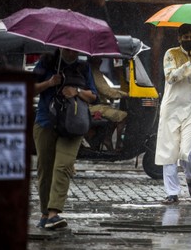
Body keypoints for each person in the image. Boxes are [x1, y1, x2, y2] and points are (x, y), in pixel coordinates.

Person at [33, 48, 97, 229]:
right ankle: (45, 213)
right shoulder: (46, 62)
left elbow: (93, 96)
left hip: (73, 124)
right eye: (68, 49)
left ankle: (54, 213)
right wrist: (49, 83)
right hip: (46, 122)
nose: (72, 53)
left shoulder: (83, 67)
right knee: (45, 169)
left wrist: (76, 91)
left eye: (75, 50)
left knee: (63, 166)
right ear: (60, 47)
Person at [155, 23, 191, 205]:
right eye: (187, 37)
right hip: (171, 108)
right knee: (169, 152)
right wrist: (190, 63)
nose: (190, 39)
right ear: (179, 38)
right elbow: (171, 77)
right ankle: (172, 193)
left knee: (187, 151)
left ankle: (190, 177)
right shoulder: (171, 53)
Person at [89, 57, 128, 151]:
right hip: (92, 107)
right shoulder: (94, 72)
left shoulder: (93, 71)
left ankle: (107, 138)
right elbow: (106, 91)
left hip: (96, 104)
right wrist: (127, 94)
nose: (101, 60)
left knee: (114, 114)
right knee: (123, 116)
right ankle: (119, 145)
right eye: (99, 58)